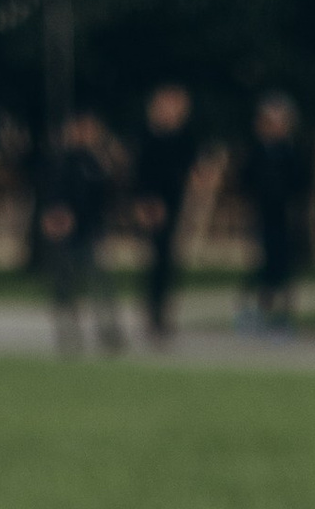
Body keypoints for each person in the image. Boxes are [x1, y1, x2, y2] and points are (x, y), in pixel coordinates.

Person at [38, 115, 122, 354]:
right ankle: (68, 332)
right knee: (66, 284)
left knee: (100, 284)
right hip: (67, 232)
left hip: (91, 231)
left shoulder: (95, 163)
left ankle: (108, 332)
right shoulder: (60, 162)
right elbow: (52, 195)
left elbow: (104, 198)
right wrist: (55, 217)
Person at [132, 83, 197, 343]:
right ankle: (153, 313)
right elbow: (141, 172)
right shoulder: (147, 136)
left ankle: (162, 311)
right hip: (151, 203)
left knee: (168, 260)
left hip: (173, 203)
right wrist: (145, 203)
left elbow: (186, 172)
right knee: (155, 259)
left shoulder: (183, 137)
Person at [242, 94, 308, 330]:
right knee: (264, 263)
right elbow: (246, 181)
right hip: (262, 214)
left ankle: (283, 314)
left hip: (285, 216)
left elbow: (301, 182)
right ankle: (259, 309)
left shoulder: (291, 152)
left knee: (284, 264)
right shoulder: (257, 152)